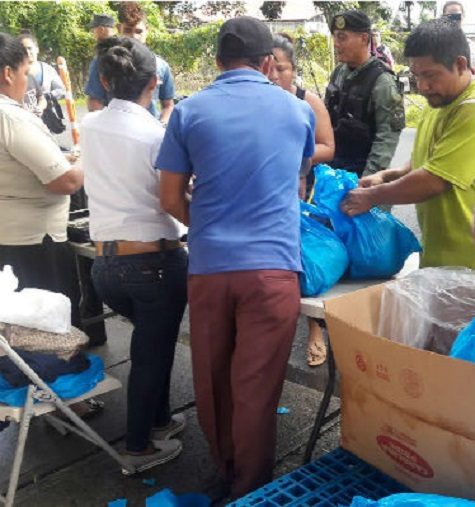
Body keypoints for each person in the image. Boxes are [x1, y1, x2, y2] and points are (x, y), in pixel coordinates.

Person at [156, 17, 315, 498]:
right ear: (269, 63)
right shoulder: (297, 111)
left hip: (208, 267)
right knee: (257, 383)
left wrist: (205, 226)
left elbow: (168, 198)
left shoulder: (188, 111)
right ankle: (251, 485)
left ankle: (223, 468)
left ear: (218, 61)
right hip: (273, 269)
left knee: (212, 374)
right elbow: (298, 182)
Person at [81, 36, 187, 474]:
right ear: (155, 81)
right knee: (151, 354)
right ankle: (138, 448)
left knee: (151, 343)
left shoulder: (87, 127)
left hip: (104, 267)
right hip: (154, 264)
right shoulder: (156, 135)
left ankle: (160, 422)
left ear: (104, 81)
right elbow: (173, 198)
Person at [341, 18, 475, 274]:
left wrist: (372, 196)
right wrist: (388, 176)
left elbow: (434, 179)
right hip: (443, 257)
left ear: (460, 64)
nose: (422, 86)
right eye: (417, 76)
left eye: (430, 75)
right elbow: (427, 160)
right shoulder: (440, 101)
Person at [0, 33, 84, 331]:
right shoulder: (11, 118)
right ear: (8, 73)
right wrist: (86, 159)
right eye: (25, 73)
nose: (27, 81)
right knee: (49, 329)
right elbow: (65, 182)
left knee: (14, 327)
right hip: (33, 242)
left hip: (8, 235)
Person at [269, 33, 335, 368]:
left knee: (305, 261)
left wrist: (296, 157)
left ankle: (315, 331)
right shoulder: (258, 101)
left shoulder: (306, 100)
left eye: (281, 68)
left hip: (299, 192)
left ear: (293, 69)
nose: (274, 75)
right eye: (270, 67)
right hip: (266, 200)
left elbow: (328, 145)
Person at [325, 10, 404, 177]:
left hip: (362, 174)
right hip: (334, 172)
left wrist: (367, 183)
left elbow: (386, 138)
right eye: (335, 37)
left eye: (342, 37)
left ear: (364, 39)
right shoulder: (339, 72)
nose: (336, 44)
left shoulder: (382, 81)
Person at [85, 2, 175, 125]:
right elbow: (95, 101)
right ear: (119, 29)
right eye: (128, 30)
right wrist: (103, 129)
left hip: (149, 133)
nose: (133, 36)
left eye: (139, 31)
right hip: (115, 131)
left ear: (147, 31)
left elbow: (168, 105)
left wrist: (162, 124)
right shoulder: (103, 62)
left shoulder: (161, 66)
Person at [18, 31, 65, 116]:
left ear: (37, 49)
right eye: (23, 49)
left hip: (48, 117)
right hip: (23, 118)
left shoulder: (48, 70)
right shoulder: (14, 72)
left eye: (29, 48)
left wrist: (46, 97)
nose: (27, 52)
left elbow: (61, 90)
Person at [442, 1, 475, 71]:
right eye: (450, 16)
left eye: (457, 16)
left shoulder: (471, 44)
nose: (454, 20)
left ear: (463, 16)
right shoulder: (437, 42)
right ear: (443, 17)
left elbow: (471, 69)